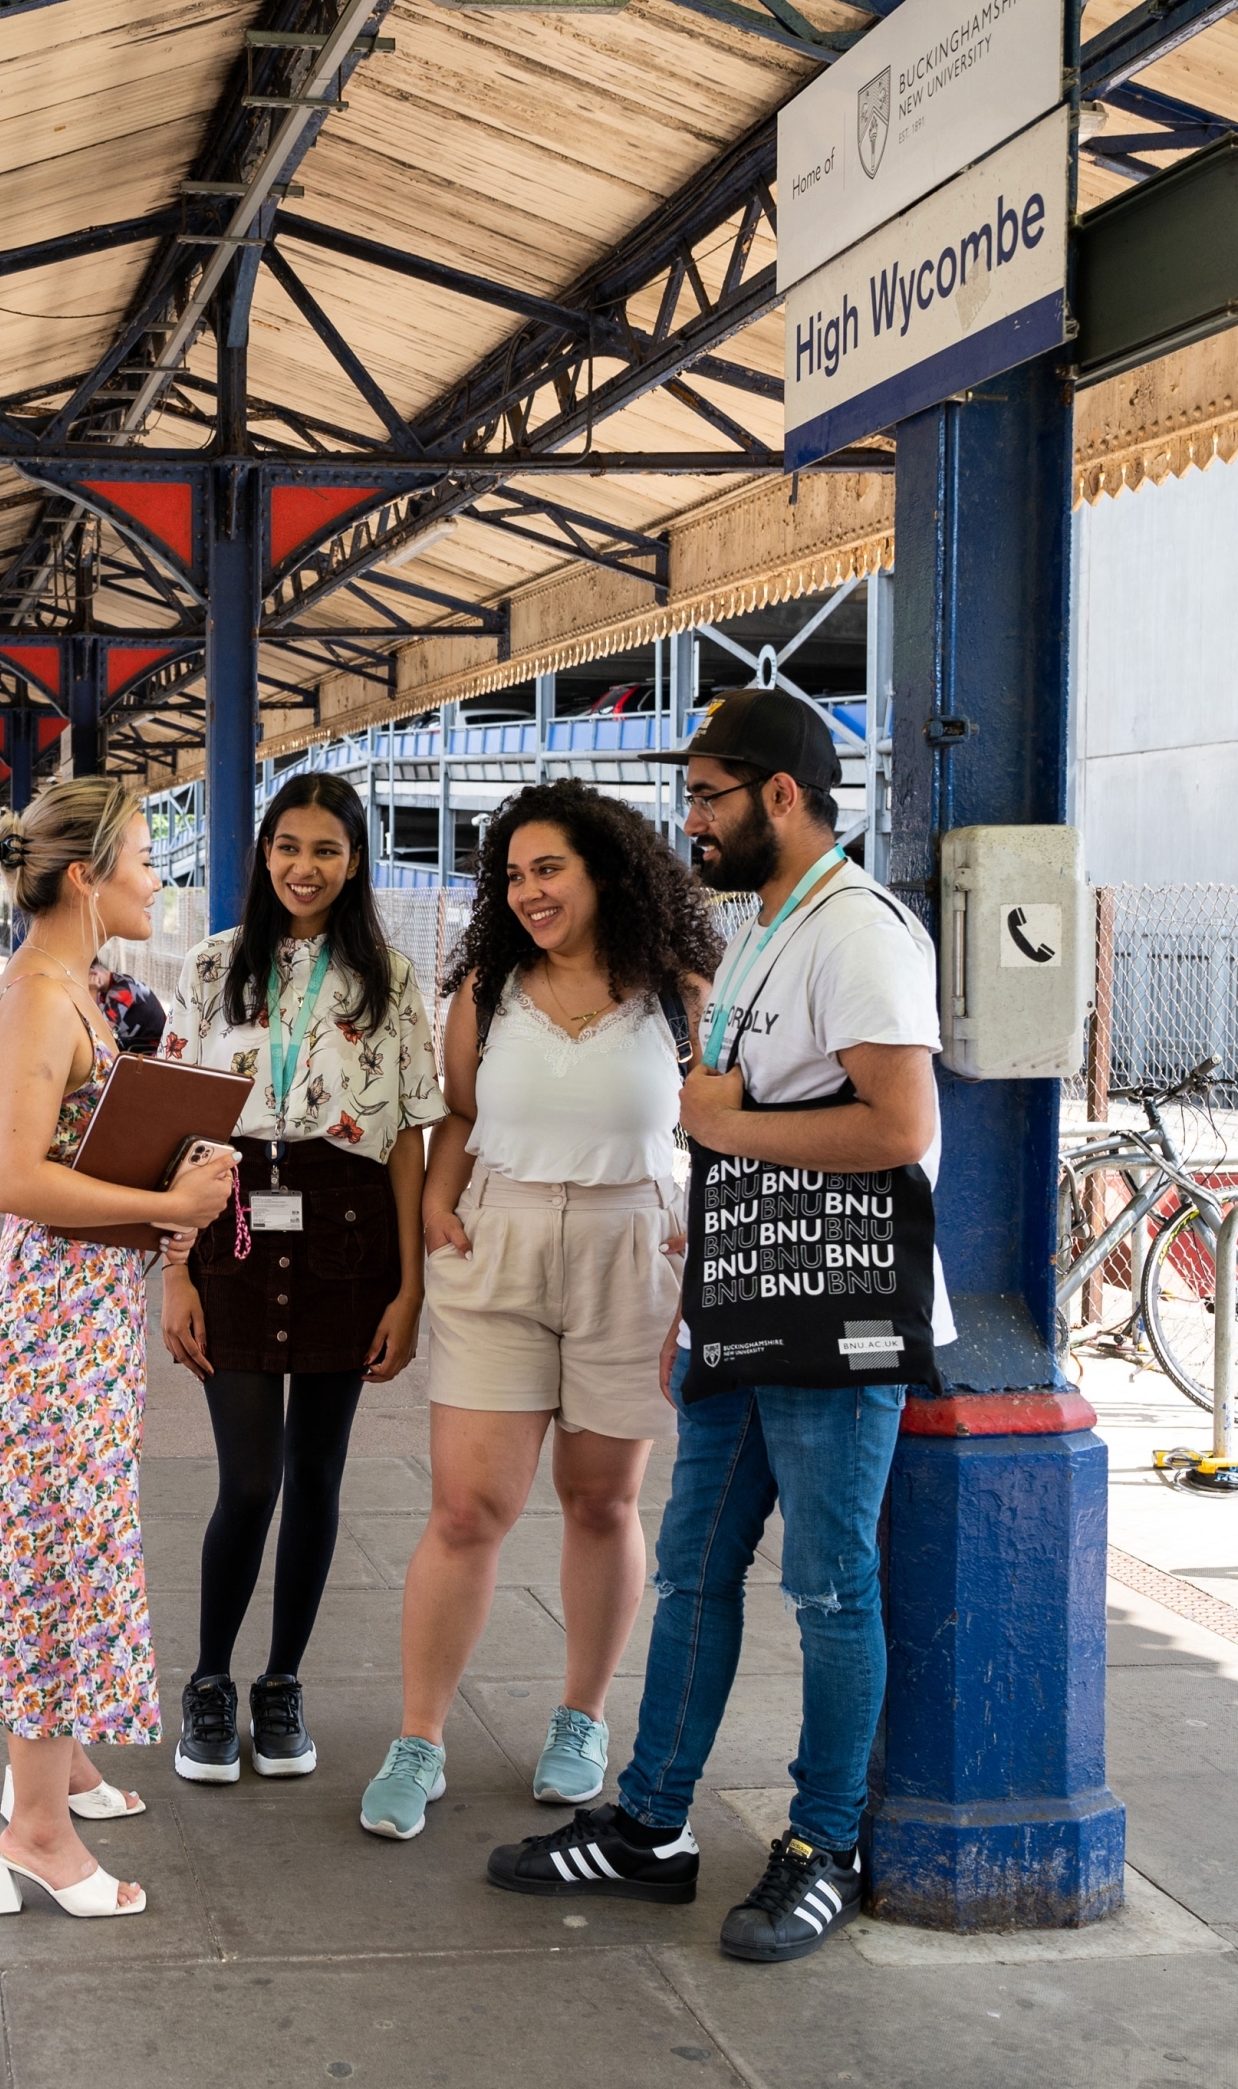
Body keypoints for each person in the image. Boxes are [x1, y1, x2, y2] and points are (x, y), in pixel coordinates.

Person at [482, 690, 945, 1966]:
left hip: (838, 1317)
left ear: (779, 798)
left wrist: (723, 1123)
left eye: (707, 797)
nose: (691, 822)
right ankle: (652, 1825)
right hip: (747, 1302)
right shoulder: (762, 931)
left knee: (829, 1585)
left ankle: (821, 1847)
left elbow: (901, 1129)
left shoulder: (859, 934)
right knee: (689, 1567)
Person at [360, 782, 724, 1842]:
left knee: (600, 1500)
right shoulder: (486, 986)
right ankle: (419, 1737)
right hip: (499, 1242)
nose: (525, 892)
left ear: (606, 869)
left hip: (631, 1247)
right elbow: (460, 1113)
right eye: (511, 876)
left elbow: (721, 1128)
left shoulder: (679, 991)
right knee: (467, 1508)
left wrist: (696, 1244)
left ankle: (580, 1718)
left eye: (546, 869)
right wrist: (434, 1205)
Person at [0, 777, 238, 1919]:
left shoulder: (74, 990)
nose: (156, 875)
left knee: (66, 1534)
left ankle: (58, 1764)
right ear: (85, 877)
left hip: (81, 1317)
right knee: (52, 1554)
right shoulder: (36, 997)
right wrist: (173, 1203)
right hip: (49, 1328)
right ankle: (35, 1833)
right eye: (143, 856)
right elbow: (12, 1179)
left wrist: (170, 1185)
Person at [158, 776, 444, 1786]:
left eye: (325, 848)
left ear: (356, 860)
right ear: (263, 853)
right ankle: (207, 1684)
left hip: (348, 1232)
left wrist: (409, 1292)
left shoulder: (394, 980)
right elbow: (178, 1125)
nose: (303, 867)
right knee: (249, 1478)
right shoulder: (209, 968)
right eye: (287, 846)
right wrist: (174, 1274)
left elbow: (410, 1136)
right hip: (230, 1222)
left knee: (317, 1475)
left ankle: (281, 1683)